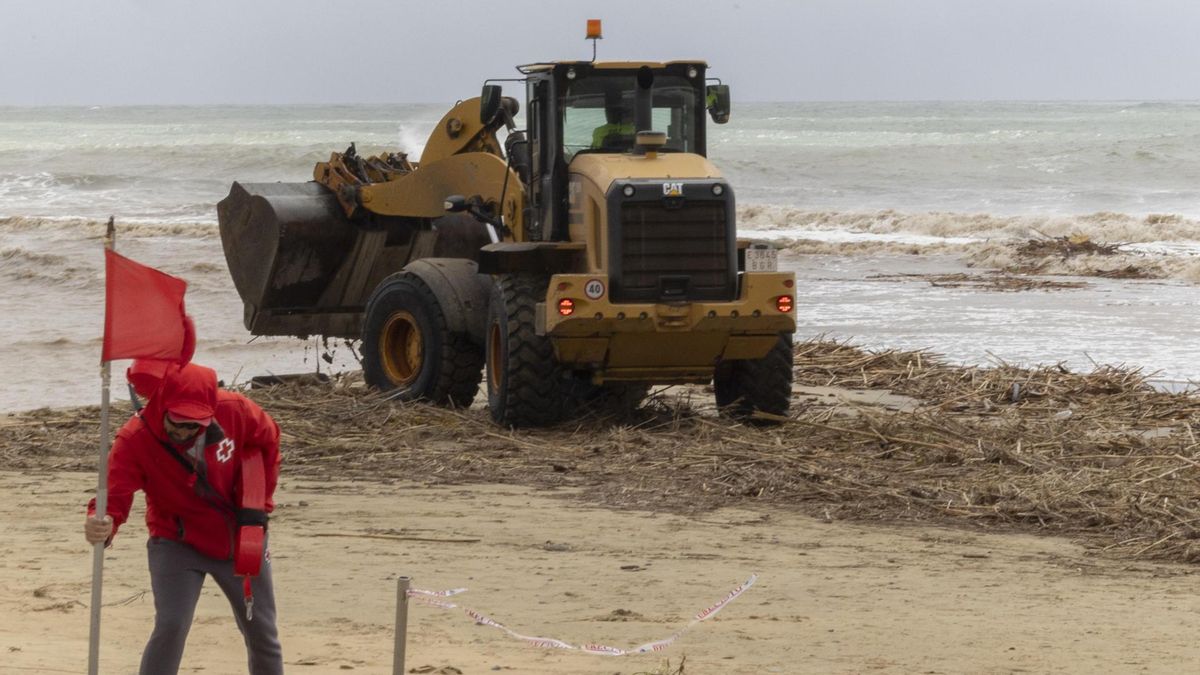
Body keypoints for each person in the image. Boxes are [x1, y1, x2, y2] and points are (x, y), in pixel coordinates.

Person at [84, 361, 283, 674]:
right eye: (177, 422)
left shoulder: (237, 410)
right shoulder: (134, 439)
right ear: (162, 405)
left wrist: (258, 504)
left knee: (261, 630)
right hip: (175, 541)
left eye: (194, 425)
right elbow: (114, 493)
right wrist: (103, 520)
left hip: (240, 536)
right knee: (171, 626)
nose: (183, 431)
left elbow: (269, 440)